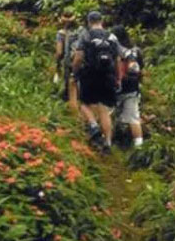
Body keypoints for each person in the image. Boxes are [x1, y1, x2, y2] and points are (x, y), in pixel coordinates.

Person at [70, 9, 120, 150]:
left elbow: (78, 57)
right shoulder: (112, 37)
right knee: (104, 108)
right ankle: (108, 142)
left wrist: (74, 73)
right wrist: (117, 78)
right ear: (102, 21)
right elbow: (117, 59)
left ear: (89, 22)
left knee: (85, 104)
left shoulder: (86, 35)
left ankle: (93, 125)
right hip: (108, 76)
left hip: (90, 75)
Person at [115, 40, 145, 148]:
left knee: (108, 113)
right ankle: (139, 145)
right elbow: (140, 69)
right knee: (133, 118)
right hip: (132, 88)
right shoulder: (135, 52)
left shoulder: (114, 50)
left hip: (117, 87)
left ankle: (109, 141)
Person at [53, 14, 80, 113]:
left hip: (69, 63)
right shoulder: (80, 32)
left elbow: (59, 52)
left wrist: (57, 64)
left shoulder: (61, 34)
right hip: (82, 63)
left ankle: (73, 114)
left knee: (70, 90)